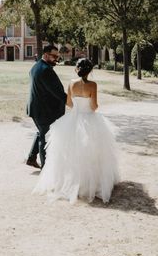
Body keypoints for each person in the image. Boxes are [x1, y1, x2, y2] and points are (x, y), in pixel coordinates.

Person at [33, 58, 120, 204]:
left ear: (76, 69)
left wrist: (78, 107)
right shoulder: (92, 85)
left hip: (73, 118)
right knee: (91, 152)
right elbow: (94, 107)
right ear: (90, 71)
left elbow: (68, 103)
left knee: (70, 152)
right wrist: (88, 105)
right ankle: (89, 184)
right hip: (89, 119)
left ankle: (69, 183)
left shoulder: (71, 83)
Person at [26, 45, 67, 169]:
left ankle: (31, 157)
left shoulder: (36, 66)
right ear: (45, 55)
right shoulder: (46, 70)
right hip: (44, 111)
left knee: (41, 132)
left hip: (36, 109)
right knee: (45, 139)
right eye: (54, 56)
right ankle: (46, 169)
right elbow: (57, 93)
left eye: (57, 56)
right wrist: (73, 103)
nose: (56, 59)